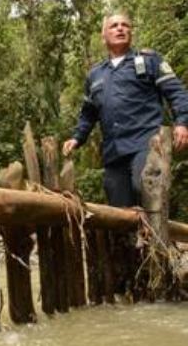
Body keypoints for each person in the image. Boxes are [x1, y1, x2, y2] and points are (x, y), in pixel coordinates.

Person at [62, 12, 188, 207]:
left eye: (125, 25)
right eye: (114, 26)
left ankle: (156, 237)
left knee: (146, 188)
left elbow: (176, 93)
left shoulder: (149, 60)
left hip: (146, 143)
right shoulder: (95, 75)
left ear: (131, 32)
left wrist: (182, 123)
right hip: (114, 152)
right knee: (118, 208)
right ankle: (131, 239)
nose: (120, 28)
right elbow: (88, 113)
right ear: (103, 36)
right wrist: (77, 137)